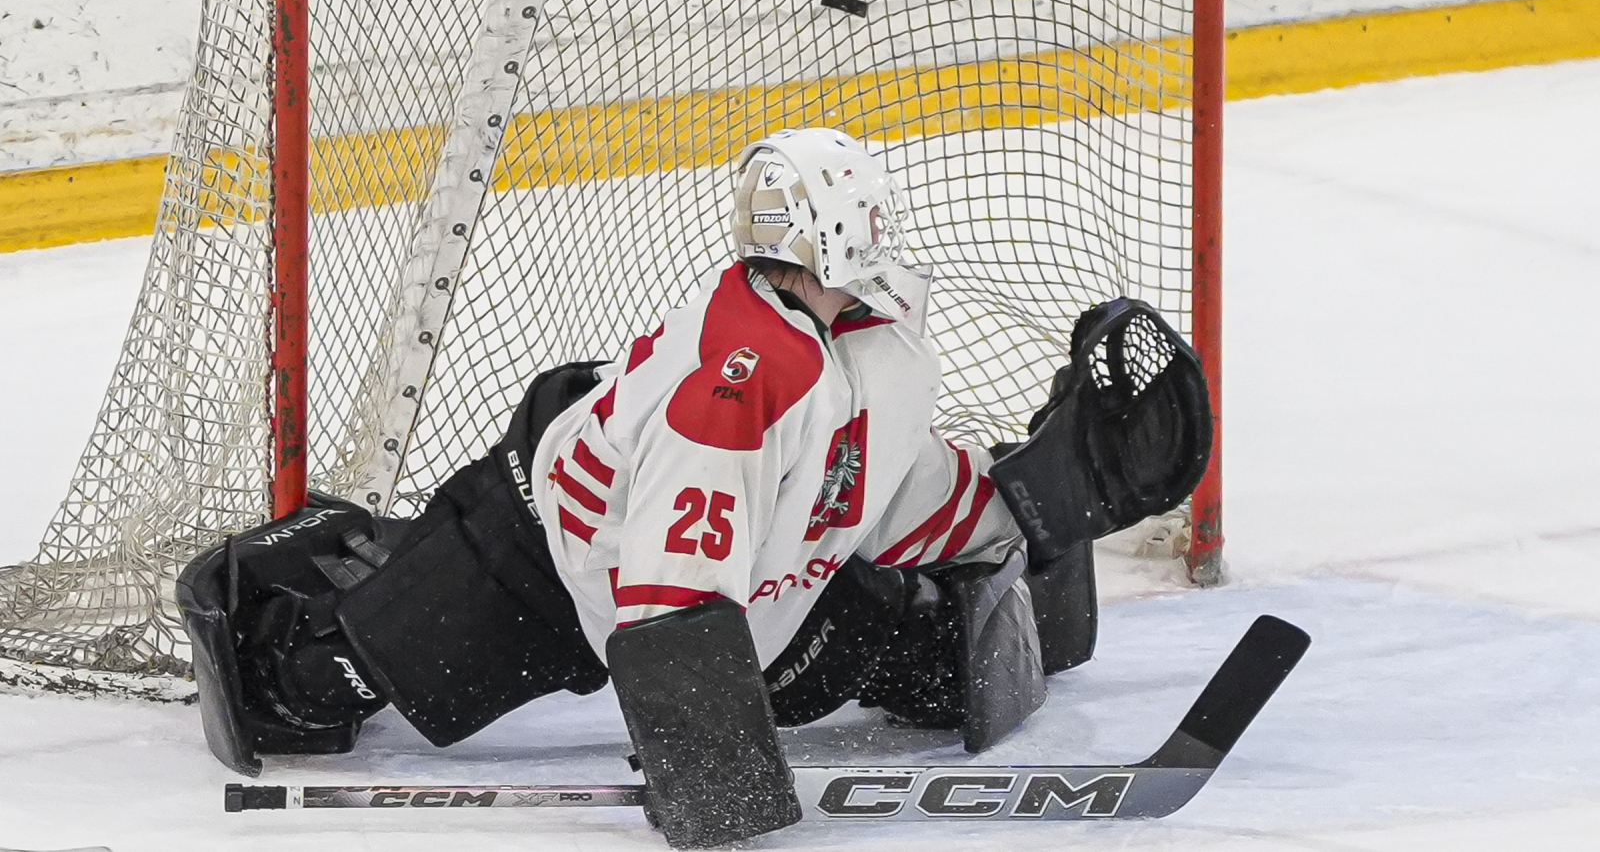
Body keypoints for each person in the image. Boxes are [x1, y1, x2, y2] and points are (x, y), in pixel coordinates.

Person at [179, 127, 1212, 849]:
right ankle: (320, 594)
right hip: (544, 551)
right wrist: (712, 776)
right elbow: (670, 585)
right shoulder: (740, 382)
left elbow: (883, 479)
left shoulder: (883, 334)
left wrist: (1031, 506)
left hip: (741, 582)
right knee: (322, 682)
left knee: (925, 656)